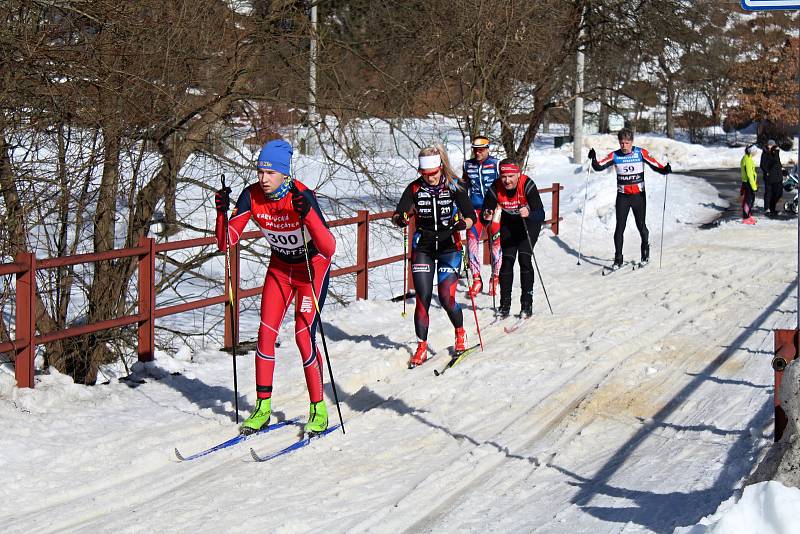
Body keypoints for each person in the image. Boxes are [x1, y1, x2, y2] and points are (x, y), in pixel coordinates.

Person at [214, 139, 336, 435]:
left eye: (269, 173)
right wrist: (220, 213)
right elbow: (225, 242)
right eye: (259, 171)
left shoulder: (301, 194)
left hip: (311, 269)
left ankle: (318, 408)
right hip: (281, 269)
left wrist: (306, 213)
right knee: (265, 335)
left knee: (302, 335)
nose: (263, 179)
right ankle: (262, 407)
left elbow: (329, 248)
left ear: (284, 173)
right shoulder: (251, 196)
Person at [391, 145, 477, 368]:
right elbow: (400, 211)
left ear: (441, 168)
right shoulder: (414, 188)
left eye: (433, 174)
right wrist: (399, 218)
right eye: (424, 174)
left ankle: (460, 332)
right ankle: (421, 346)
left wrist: (462, 224)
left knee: (446, 297)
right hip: (424, 248)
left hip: (450, 247)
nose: (429, 178)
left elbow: (471, 216)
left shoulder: (454, 185)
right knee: (423, 296)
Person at [588, 128, 671, 268]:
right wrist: (593, 158)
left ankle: (645, 252)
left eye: (627, 143)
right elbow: (598, 167)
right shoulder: (615, 155)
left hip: (638, 196)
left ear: (632, 142)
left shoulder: (640, 153)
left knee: (641, 226)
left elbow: (655, 165)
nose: (624, 146)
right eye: (621, 143)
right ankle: (618, 258)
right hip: (623, 197)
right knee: (620, 228)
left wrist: (664, 169)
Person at [480, 159, 545, 319]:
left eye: (510, 176)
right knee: (507, 261)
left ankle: (526, 304)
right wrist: (486, 215)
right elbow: (485, 213)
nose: (507, 180)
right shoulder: (496, 187)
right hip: (509, 225)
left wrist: (529, 213)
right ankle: (504, 305)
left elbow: (541, 214)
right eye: (503, 176)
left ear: (518, 174)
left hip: (528, 225)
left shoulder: (527, 185)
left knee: (524, 259)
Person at [462, 135, 501, 297]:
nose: (478, 153)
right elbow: (464, 188)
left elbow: (504, 185)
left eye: (481, 150)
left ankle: (496, 277)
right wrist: (462, 207)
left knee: (496, 243)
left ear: (487, 149)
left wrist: (499, 205)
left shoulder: (496, 164)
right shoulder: (467, 165)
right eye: (475, 150)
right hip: (475, 209)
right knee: (471, 242)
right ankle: (477, 279)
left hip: (494, 209)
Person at [740, 144, 758, 224]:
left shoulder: (748, 158)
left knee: (751, 199)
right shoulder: (747, 160)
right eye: (755, 151)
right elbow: (749, 174)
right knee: (748, 200)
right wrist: (754, 186)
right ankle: (745, 217)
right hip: (748, 183)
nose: (756, 153)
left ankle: (748, 215)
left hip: (748, 182)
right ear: (751, 152)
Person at [765, 142, 784, 216]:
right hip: (773, 178)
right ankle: (771, 208)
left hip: (779, 177)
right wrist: (767, 172)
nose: (778, 151)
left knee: (779, 194)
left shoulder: (776, 155)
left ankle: (772, 207)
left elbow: (778, 164)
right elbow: (766, 164)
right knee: (775, 193)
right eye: (776, 149)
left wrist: (782, 170)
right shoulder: (769, 155)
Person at [760, 139, 776, 212]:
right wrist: (767, 172)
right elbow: (762, 165)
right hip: (768, 176)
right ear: (768, 145)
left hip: (774, 176)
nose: (772, 146)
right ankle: (766, 208)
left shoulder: (774, 153)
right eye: (771, 145)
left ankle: (772, 207)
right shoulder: (765, 153)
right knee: (768, 192)